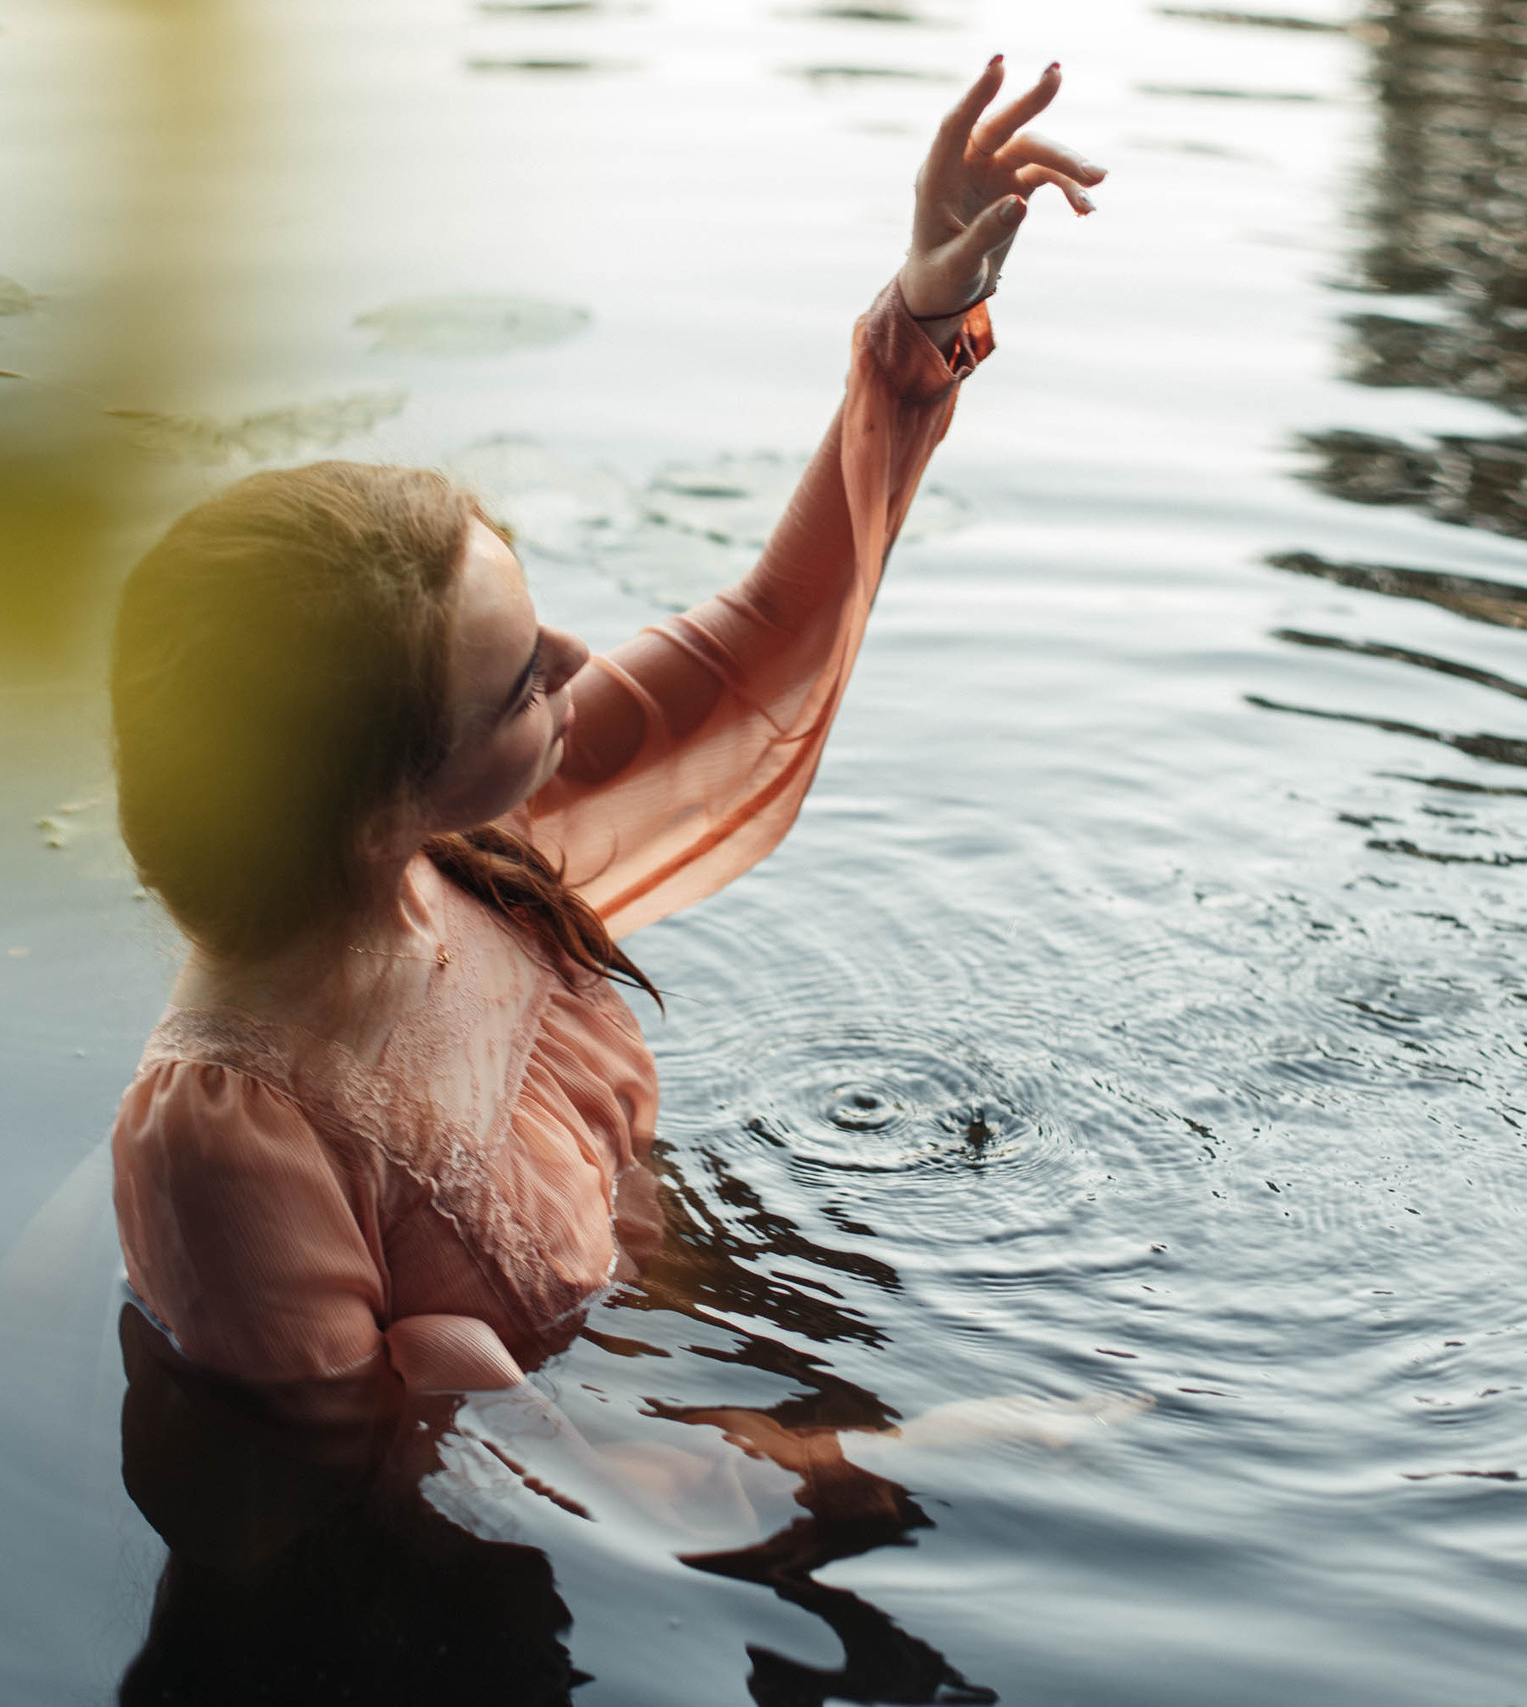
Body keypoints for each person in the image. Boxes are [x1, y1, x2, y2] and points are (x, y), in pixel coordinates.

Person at [105, 58, 1104, 1427]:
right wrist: (869, 1456)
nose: (580, 664)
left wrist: (925, 316)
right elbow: (377, 1490)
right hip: (613, 1471)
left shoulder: (459, 845)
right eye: (522, 683)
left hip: (669, 1350)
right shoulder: (233, 1144)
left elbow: (767, 632)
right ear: (375, 807)